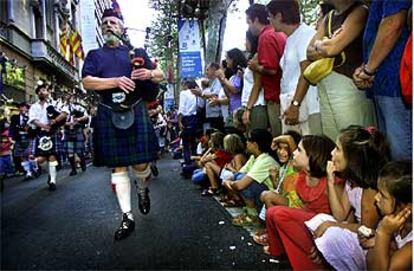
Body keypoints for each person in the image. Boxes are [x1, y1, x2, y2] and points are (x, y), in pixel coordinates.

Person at [82, 8, 164, 241]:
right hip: (109, 111)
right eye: (105, 22)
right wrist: (114, 81)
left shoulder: (136, 52)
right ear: (101, 28)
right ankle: (127, 216)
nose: (109, 25)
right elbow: (87, 81)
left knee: (140, 164)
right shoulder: (95, 55)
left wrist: (148, 73)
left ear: (121, 28)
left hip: (135, 108)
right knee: (118, 166)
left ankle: (141, 189)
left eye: (113, 22)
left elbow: (159, 75)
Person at [305, 126, 390, 270]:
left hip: (370, 245)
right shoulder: (351, 181)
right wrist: (330, 182)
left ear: (352, 158)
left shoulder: (369, 189)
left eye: (337, 149)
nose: (332, 153)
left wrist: (332, 226)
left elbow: (366, 230)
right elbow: (340, 215)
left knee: (331, 233)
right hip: (357, 233)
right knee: (319, 220)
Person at [307, 0, 376, 142]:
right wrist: (328, 43)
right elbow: (309, 52)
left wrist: (322, 43)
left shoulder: (359, 11)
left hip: (349, 85)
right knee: (333, 142)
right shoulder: (329, 16)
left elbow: (332, 48)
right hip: (325, 84)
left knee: (353, 142)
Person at [353, 0, 412, 160]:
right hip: (382, 82)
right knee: (391, 153)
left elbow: (394, 22)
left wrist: (368, 69)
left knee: (401, 155)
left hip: (395, 83)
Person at [267, 0, 322, 135]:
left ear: (279, 16)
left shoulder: (305, 35)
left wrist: (295, 104)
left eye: (270, 16)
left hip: (307, 105)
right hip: (292, 102)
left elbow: (306, 72)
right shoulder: (290, 38)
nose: (269, 21)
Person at [223, 129, 279, 227]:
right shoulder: (254, 157)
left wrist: (228, 183)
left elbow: (240, 185)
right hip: (261, 196)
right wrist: (230, 181)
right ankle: (251, 212)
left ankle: (253, 216)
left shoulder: (266, 160)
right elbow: (237, 175)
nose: (246, 142)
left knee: (241, 179)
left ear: (255, 144)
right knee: (238, 177)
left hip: (269, 201)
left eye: (248, 140)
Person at [245, 4, 286, 137]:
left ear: (256, 20)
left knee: (279, 137)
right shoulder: (278, 33)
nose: (249, 27)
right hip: (282, 94)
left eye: (248, 22)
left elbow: (272, 69)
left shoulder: (266, 37)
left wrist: (256, 67)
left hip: (275, 96)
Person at [366, 160, 412, 270]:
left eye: (382, 195)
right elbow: (370, 260)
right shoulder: (393, 220)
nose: (376, 198)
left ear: (407, 207)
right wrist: (380, 241)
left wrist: (383, 234)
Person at [28, 83, 69, 191]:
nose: (42, 92)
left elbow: (65, 113)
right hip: (40, 133)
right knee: (41, 159)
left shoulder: (55, 103)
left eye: (44, 90)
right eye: (40, 90)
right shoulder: (34, 106)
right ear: (37, 93)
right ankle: (47, 170)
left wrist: (55, 121)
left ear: (48, 92)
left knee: (52, 156)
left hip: (52, 132)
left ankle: (52, 180)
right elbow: (33, 120)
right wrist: (44, 126)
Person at [241, 30, 268, 133]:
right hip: (252, 104)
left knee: (256, 140)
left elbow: (257, 85)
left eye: (246, 40)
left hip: (256, 105)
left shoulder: (256, 58)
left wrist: (248, 109)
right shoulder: (253, 58)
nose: (245, 43)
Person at [63, 94, 88, 176]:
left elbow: (86, 116)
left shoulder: (79, 107)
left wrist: (79, 119)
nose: (70, 99)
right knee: (70, 152)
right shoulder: (62, 108)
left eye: (72, 98)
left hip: (77, 129)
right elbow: (59, 120)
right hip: (68, 131)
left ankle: (83, 162)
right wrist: (67, 123)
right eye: (69, 97)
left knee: (79, 151)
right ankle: (73, 169)